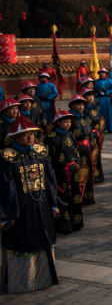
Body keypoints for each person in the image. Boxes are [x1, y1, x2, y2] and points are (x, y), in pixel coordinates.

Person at [0, 115, 59, 293]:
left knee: (43, 238)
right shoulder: (7, 158)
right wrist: (10, 213)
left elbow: (50, 179)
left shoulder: (40, 153)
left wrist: (53, 202)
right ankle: (23, 281)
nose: (30, 138)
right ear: (15, 137)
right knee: (22, 241)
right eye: (25, 135)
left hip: (41, 204)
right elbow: (6, 187)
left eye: (32, 134)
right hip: (22, 208)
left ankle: (43, 277)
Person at [45, 110, 83, 233]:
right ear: (58, 122)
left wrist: (77, 163)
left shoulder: (70, 135)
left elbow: (76, 151)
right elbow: (49, 159)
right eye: (64, 122)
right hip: (60, 172)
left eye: (68, 122)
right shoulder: (51, 138)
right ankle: (64, 225)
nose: (67, 124)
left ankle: (76, 222)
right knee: (62, 198)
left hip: (73, 171)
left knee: (75, 196)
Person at [68, 94, 96, 206]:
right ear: (73, 105)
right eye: (78, 104)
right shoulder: (70, 119)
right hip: (77, 149)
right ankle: (79, 197)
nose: (80, 107)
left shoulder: (86, 117)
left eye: (82, 104)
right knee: (79, 173)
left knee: (88, 172)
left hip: (87, 148)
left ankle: (88, 196)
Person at [81, 84, 104, 184]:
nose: (90, 98)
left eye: (92, 96)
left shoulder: (95, 107)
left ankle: (98, 175)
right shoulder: (83, 110)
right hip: (88, 137)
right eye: (88, 96)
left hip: (96, 135)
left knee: (97, 156)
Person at [94, 67, 112, 133]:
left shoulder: (109, 81)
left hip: (107, 99)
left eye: (103, 73)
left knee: (109, 113)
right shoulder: (96, 81)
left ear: (106, 74)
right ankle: (102, 128)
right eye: (101, 73)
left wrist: (107, 92)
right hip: (100, 99)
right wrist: (98, 93)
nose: (102, 74)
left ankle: (110, 128)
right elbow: (94, 90)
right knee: (101, 114)